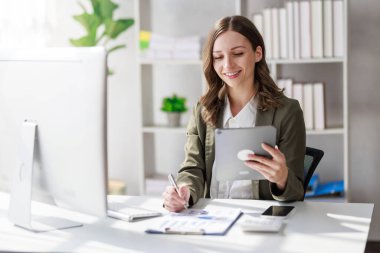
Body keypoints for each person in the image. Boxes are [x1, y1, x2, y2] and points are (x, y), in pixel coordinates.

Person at [162, 15, 306, 212]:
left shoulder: (287, 112)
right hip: (213, 218)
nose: (227, 65)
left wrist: (282, 179)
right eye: (218, 57)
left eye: (237, 53)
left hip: (261, 219)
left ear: (257, 53)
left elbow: (297, 192)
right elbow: (192, 168)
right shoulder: (203, 110)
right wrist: (185, 190)